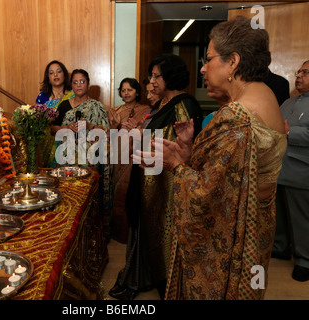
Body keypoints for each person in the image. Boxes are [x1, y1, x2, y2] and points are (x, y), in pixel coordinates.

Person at [136, 16, 287, 300]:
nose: (203, 67)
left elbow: (206, 193)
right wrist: (190, 153)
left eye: (208, 58)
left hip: (229, 246)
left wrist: (175, 165)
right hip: (257, 228)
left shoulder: (236, 118)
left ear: (233, 62)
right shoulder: (267, 97)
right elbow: (235, 172)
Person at [109, 55, 203, 300]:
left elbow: (178, 145)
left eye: (155, 76)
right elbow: (156, 138)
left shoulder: (184, 104)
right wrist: (139, 132)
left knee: (165, 241)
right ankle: (144, 277)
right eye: (151, 77)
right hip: (150, 179)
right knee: (146, 233)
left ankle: (169, 287)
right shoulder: (163, 104)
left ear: (170, 76)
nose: (151, 82)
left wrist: (143, 135)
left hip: (168, 186)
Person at [51, 69, 111, 236]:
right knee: (68, 194)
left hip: (90, 160)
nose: (78, 85)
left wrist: (91, 126)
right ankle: (67, 231)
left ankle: (91, 232)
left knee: (88, 197)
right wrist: (66, 127)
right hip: (66, 158)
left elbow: (107, 132)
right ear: (71, 85)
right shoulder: (63, 105)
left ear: (88, 84)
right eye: (75, 82)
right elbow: (52, 129)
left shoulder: (97, 107)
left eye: (82, 81)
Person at [273, 60, 309, 282]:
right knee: (279, 214)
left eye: (305, 72)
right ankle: (280, 247)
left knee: (301, 219)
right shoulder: (287, 101)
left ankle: (305, 260)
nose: (299, 76)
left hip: (301, 171)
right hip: (279, 167)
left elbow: (285, 130)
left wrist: (290, 132)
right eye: (299, 72)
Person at [108, 78, 150, 244]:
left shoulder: (146, 110)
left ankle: (131, 234)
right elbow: (110, 134)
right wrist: (115, 124)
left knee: (128, 192)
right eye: (123, 90)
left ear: (137, 92)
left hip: (135, 154)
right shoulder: (114, 110)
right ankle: (118, 233)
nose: (126, 93)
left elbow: (147, 133)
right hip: (117, 154)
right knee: (116, 190)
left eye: (130, 90)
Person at [35, 60, 74, 168]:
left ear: (64, 75)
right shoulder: (42, 96)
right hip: (47, 138)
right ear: (48, 77)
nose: (55, 75)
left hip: (69, 136)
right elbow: (37, 120)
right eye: (51, 73)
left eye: (58, 71)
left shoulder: (73, 95)